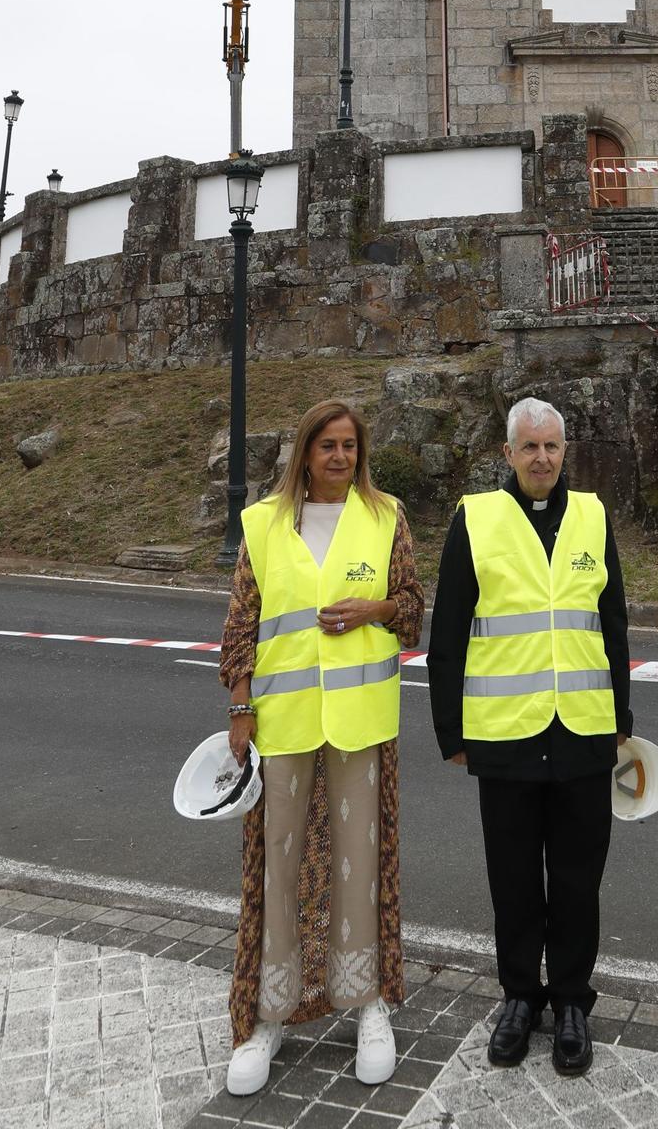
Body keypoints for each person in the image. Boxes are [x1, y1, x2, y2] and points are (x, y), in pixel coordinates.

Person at [218, 400, 424, 1098]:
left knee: (358, 861)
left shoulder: (386, 516)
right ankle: (268, 1014)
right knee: (277, 863)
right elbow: (242, 621)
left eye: (349, 446)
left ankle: (365, 1000)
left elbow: (412, 605)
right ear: (304, 453)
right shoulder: (263, 525)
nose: (339, 457)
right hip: (283, 723)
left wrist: (378, 610)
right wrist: (240, 707)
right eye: (326, 446)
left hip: (363, 721)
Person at [428, 397, 631, 1076]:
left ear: (563, 451)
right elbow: (449, 633)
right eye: (529, 447)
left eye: (551, 446)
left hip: (581, 732)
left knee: (577, 881)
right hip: (504, 735)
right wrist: (450, 731)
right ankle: (519, 997)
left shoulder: (593, 516)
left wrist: (620, 724)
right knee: (514, 882)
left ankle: (571, 1001)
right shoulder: (475, 519)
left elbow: (614, 626)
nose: (541, 458)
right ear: (508, 454)